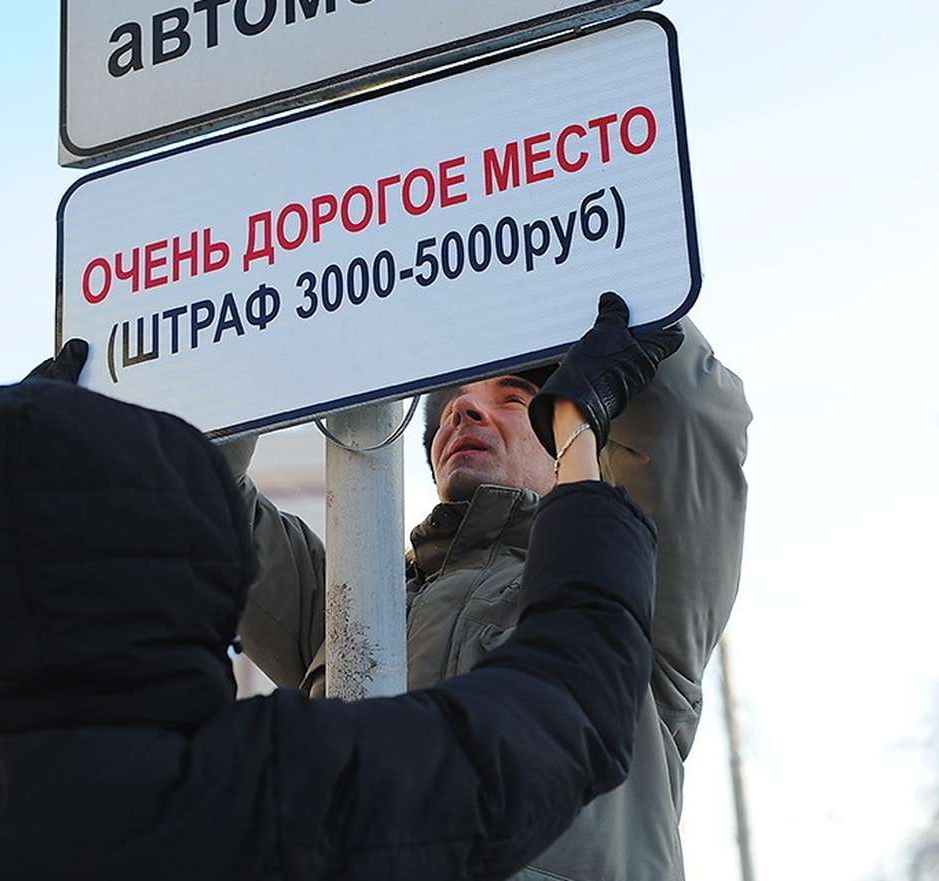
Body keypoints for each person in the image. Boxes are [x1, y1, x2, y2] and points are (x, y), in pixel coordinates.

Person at [0, 311, 680, 881]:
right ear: (211, 580)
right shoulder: (268, 785)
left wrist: (17, 472)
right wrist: (576, 431)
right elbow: (573, 698)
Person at [230, 293, 751, 881]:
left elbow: (690, 416)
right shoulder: (354, 604)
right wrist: (240, 326)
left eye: (512, 399)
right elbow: (199, 500)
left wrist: (596, 270)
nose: (464, 412)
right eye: (455, 404)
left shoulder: (629, 582)